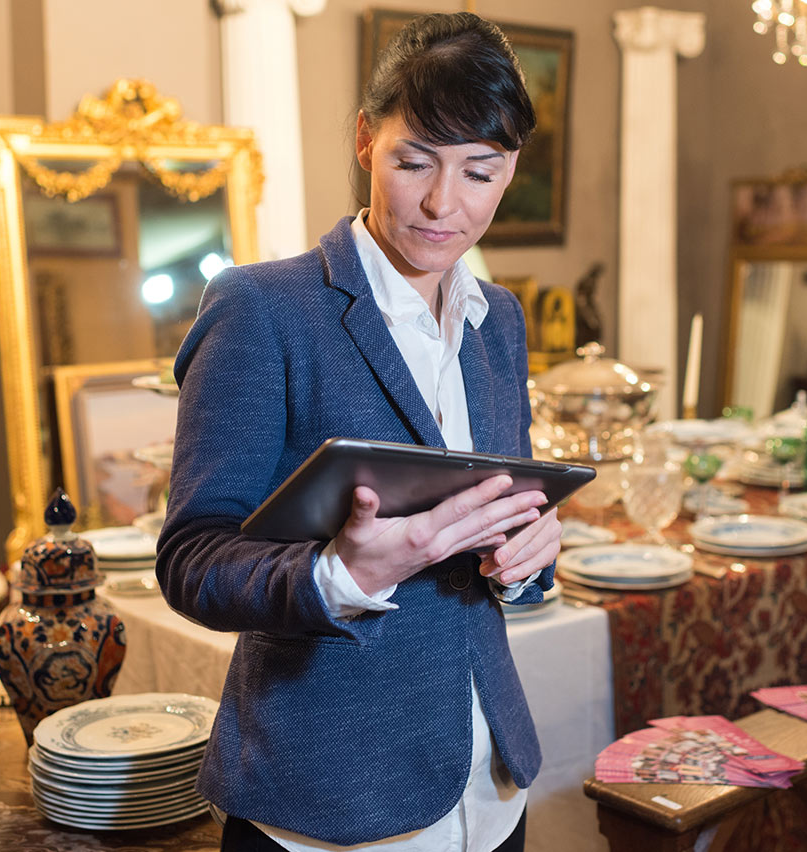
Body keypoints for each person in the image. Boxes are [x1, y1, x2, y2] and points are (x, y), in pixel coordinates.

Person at [157, 12, 562, 851]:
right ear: (364, 140)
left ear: (510, 169)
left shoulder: (501, 321)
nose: (444, 203)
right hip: (326, 798)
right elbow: (193, 559)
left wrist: (530, 554)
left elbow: (502, 516)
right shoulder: (264, 309)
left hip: (490, 788)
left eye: (479, 173)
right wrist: (340, 574)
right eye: (413, 162)